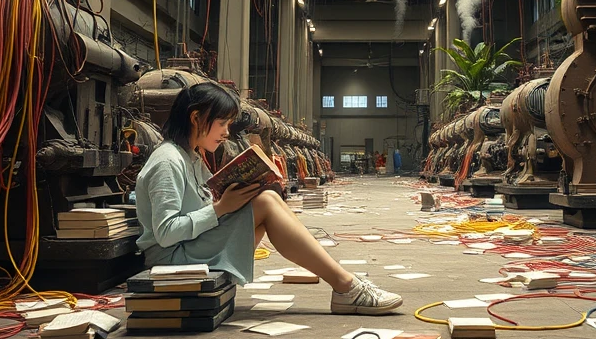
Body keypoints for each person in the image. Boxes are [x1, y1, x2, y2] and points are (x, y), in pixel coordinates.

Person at [135, 82, 402, 314]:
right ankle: (346, 286)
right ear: (196, 118)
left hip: (192, 246)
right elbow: (166, 233)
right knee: (265, 203)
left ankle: (346, 285)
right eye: (222, 123)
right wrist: (220, 209)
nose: (227, 132)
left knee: (267, 199)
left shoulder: (190, 157)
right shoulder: (167, 161)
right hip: (173, 259)